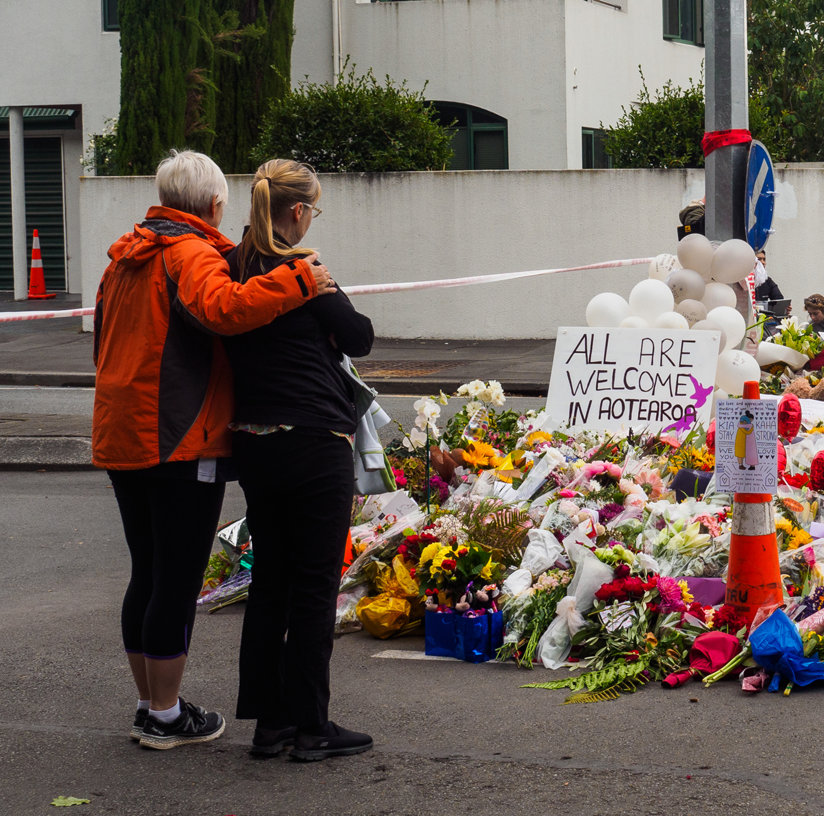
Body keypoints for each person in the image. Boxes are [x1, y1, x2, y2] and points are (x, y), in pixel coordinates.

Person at [92, 149, 335, 751]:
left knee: (146, 572)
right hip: (177, 435)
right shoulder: (191, 252)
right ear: (215, 203)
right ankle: (168, 716)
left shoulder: (124, 255)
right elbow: (224, 310)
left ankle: (150, 704)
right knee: (175, 577)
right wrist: (299, 278)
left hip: (122, 429)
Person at [222, 159, 375, 762]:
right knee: (314, 586)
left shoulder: (231, 267)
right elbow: (359, 335)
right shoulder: (302, 270)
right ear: (297, 212)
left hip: (255, 441)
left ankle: (269, 723)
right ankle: (313, 724)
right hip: (315, 438)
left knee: (272, 583)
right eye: (313, 209)